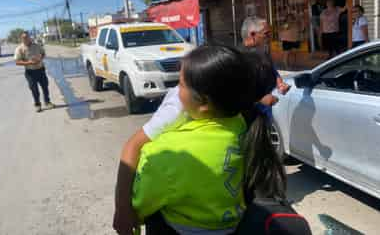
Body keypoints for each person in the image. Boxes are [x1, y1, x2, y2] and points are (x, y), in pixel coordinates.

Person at [113, 21, 290, 235]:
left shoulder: (168, 153)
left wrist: (123, 208)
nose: (175, 91)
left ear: (204, 102)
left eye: (180, 84)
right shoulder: (240, 119)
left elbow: (138, 166)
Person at [14, 32, 55, 113]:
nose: (26, 39)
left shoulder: (36, 45)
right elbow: (17, 62)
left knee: (45, 87)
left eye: (27, 37)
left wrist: (40, 59)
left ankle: (47, 102)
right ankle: (37, 105)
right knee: (34, 89)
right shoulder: (19, 49)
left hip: (40, 69)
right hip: (30, 72)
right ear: (21, 39)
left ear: (29, 37)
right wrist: (29, 63)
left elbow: (43, 53)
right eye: (24, 38)